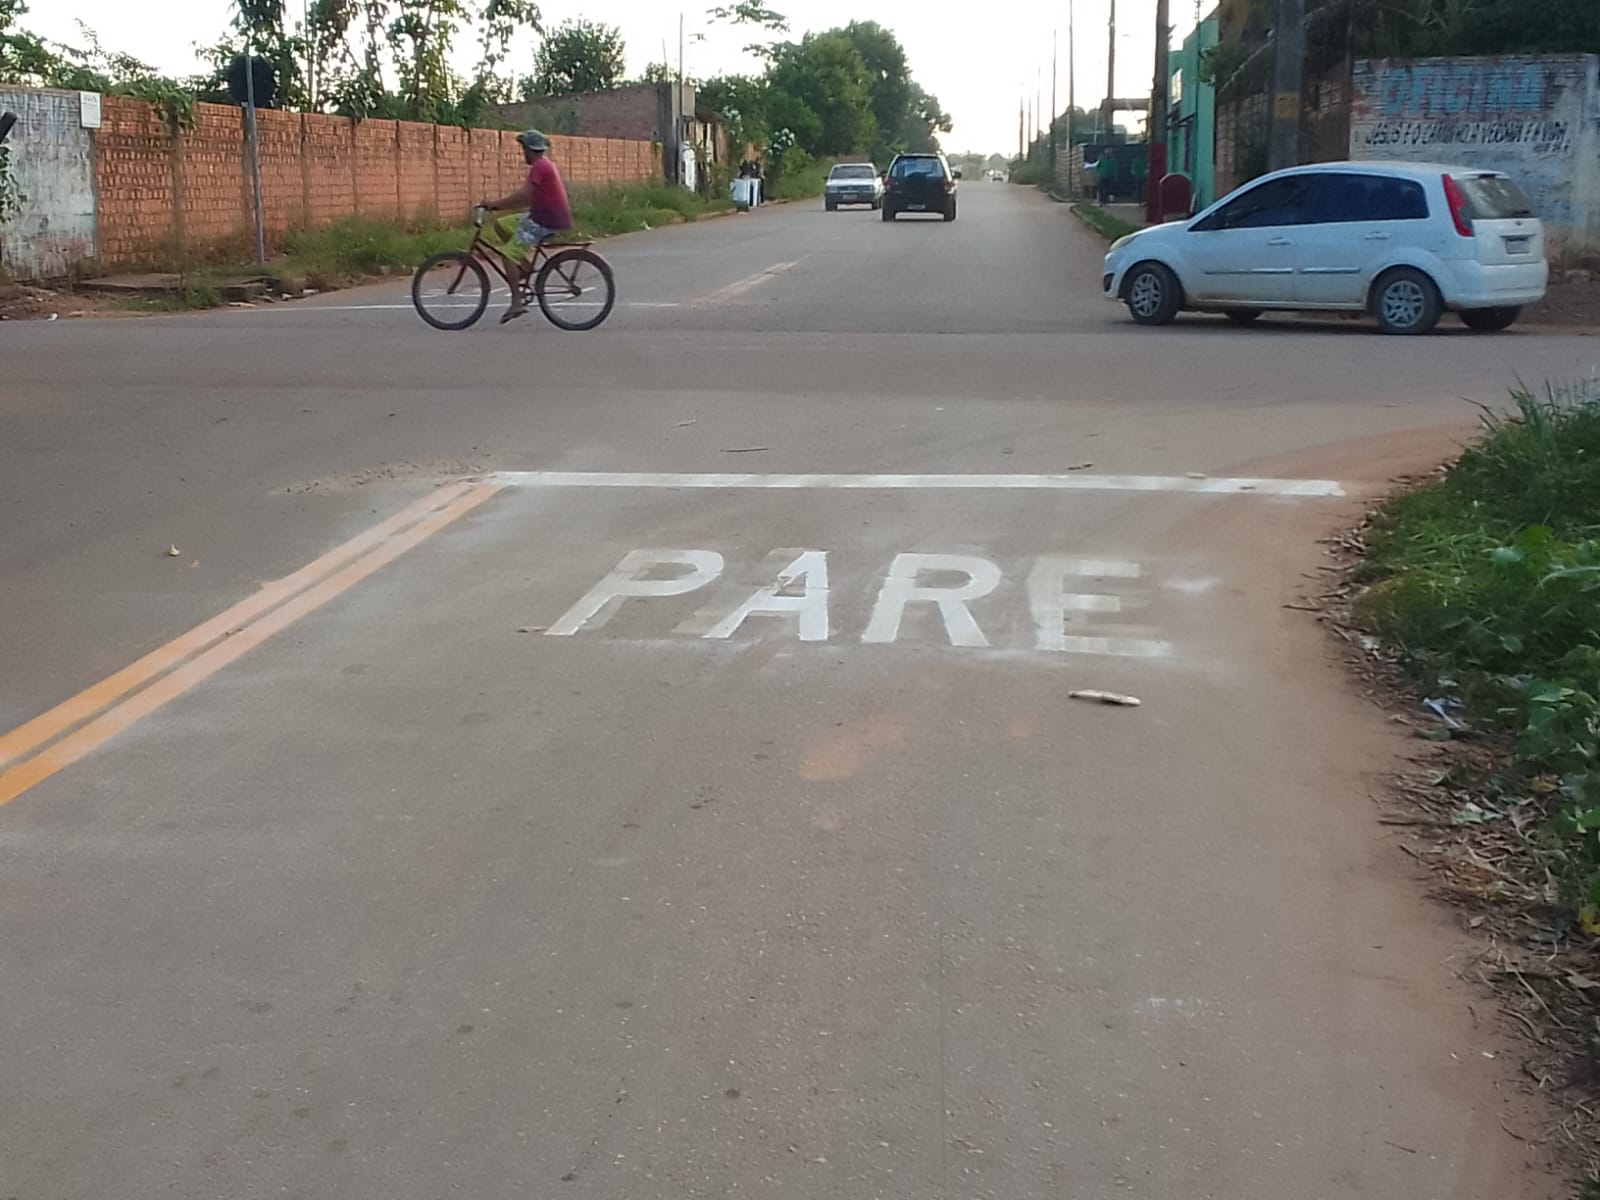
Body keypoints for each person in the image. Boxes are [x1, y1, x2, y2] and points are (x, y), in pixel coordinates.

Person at [480, 130, 573, 324]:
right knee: (501, 224)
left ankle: (516, 302)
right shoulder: (543, 165)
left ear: (529, 150)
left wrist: (495, 204)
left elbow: (524, 196)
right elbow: (526, 198)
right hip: (541, 215)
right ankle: (523, 266)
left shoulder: (540, 166)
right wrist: (499, 208)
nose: (522, 153)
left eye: (523, 148)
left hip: (546, 220)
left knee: (507, 255)